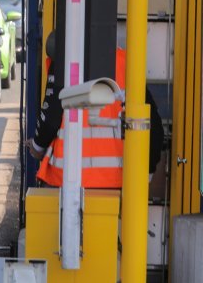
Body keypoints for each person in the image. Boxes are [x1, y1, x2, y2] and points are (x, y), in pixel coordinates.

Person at [27, 32, 163, 187]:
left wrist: (37, 146)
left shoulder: (65, 60)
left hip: (66, 182)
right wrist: (147, 172)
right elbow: (153, 127)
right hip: (117, 184)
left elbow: (50, 120)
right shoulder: (126, 63)